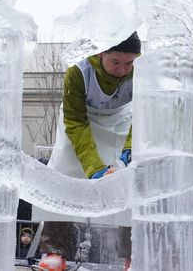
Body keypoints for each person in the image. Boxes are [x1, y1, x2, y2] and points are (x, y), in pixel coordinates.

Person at [40, 32, 141, 271]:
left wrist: (128, 153)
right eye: (115, 62)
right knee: (62, 178)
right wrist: (95, 169)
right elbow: (75, 123)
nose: (122, 70)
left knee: (128, 183)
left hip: (120, 121)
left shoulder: (142, 73)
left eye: (129, 63)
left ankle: (131, 254)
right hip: (80, 123)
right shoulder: (78, 72)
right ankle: (56, 250)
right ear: (101, 53)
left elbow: (141, 118)